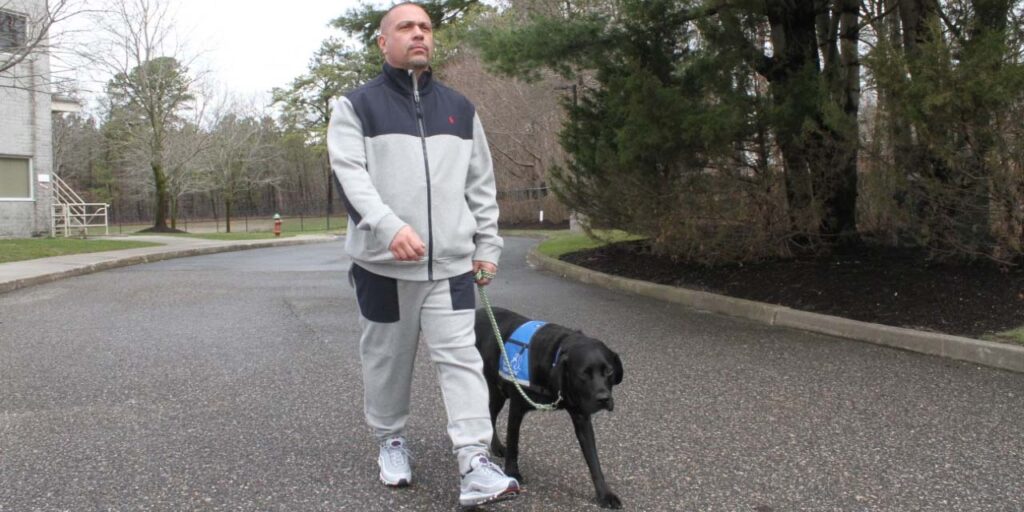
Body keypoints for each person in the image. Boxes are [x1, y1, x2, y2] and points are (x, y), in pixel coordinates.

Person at [326, 1, 519, 507]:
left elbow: (481, 186)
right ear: (382, 41)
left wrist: (487, 246)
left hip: (451, 266)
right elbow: (351, 176)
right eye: (406, 27)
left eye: (426, 27)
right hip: (382, 266)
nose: (418, 34)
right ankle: (390, 440)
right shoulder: (355, 107)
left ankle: (474, 461)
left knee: (461, 360)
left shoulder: (460, 109)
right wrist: (388, 228)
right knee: (387, 360)